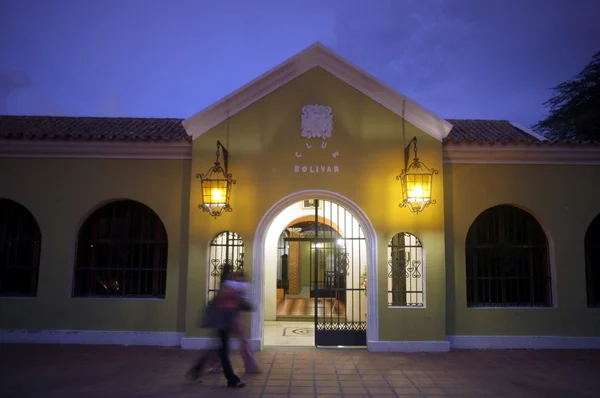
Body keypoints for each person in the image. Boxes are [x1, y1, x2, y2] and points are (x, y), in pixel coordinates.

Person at [186, 268, 246, 388]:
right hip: (222, 325)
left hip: (223, 325)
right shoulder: (227, 290)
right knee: (223, 352)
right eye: (231, 276)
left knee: (215, 350)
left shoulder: (226, 289)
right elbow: (231, 305)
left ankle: (196, 370)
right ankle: (231, 379)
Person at [207, 271, 260, 374]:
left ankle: (216, 366)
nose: (241, 281)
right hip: (231, 319)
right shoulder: (233, 287)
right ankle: (250, 366)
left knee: (228, 343)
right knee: (239, 342)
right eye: (240, 279)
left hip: (229, 319)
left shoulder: (228, 286)